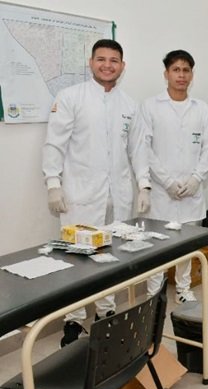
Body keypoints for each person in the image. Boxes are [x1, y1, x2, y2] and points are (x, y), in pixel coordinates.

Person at [42, 39, 150, 346]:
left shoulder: (129, 105)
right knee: (76, 261)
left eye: (114, 60)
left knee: (111, 257)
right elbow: (54, 143)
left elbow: (138, 149)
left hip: (118, 198)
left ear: (122, 66)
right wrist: (53, 183)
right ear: (91, 63)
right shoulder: (71, 97)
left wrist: (144, 185)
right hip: (80, 195)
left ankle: (106, 313)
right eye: (101, 59)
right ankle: (74, 320)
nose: (107, 65)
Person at [140, 49, 208, 303]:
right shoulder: (151, 106)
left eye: (186, 70)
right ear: (166, 74)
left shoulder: (200, 108)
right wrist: (167, 182)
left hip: (191, 191)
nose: (181, 75)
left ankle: (183, 289)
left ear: (191, 75)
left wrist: (196, 179)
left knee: (186, 244)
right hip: (162, 192)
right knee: (157, 245)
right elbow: (145, 148)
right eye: (176, 70)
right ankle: (154, 293)